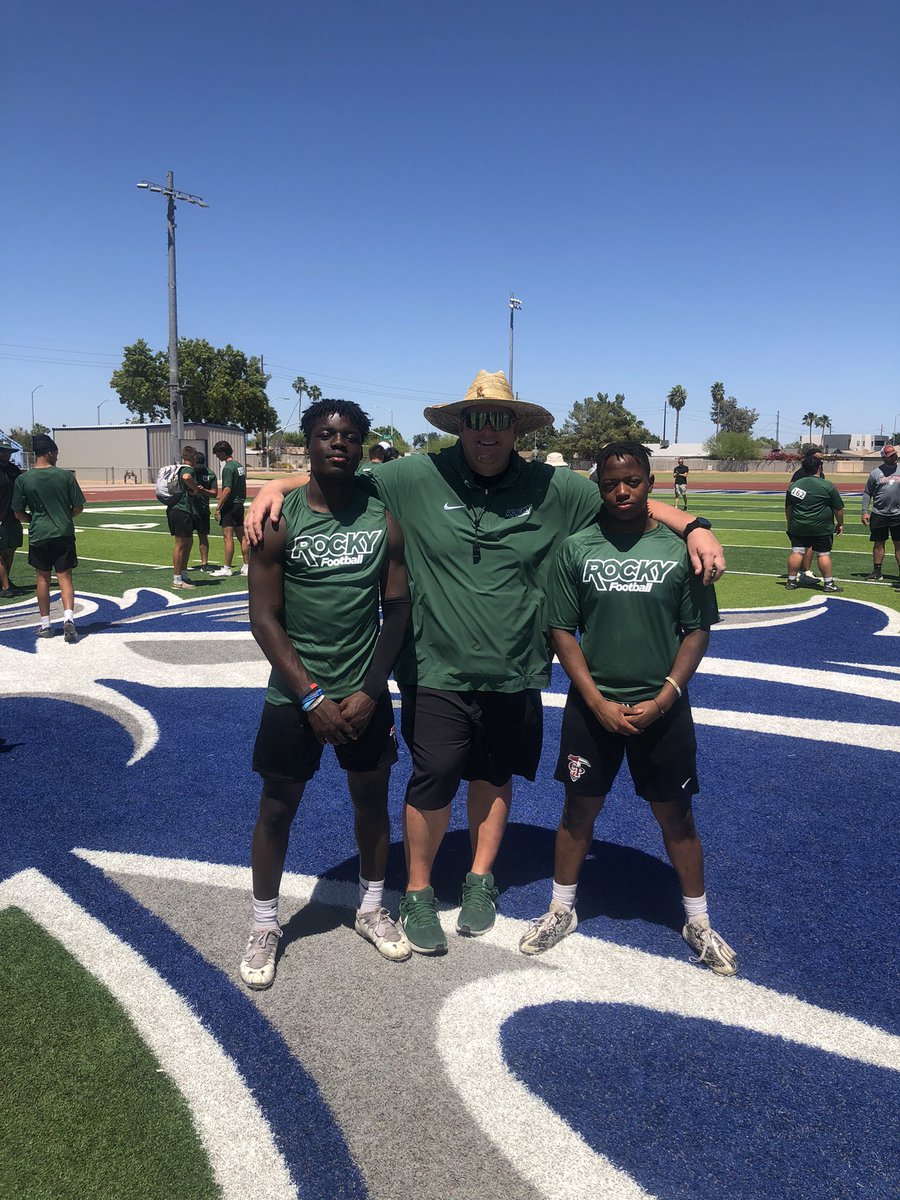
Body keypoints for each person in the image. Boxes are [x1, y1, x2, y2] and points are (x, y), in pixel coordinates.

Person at [245, 370, 725, 957]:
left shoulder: (555, 486)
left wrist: (696, 527)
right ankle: (417, 891)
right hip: (435, 665)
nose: (488, 433)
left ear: (517, 428)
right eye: (477, 421)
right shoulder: (416, 474)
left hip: (516, 666)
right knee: (433, 778)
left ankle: (479, 879)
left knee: (494, 777)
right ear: (461, 428)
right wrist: (275, 485)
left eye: (501, 420)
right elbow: (337, 468)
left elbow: (626, 499)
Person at [519, 441, 736, 975]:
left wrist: (665, 697)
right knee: (577, 810)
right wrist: (594, 699)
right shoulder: (577, 549)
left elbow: (696, 631)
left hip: (662, 707)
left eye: (633, 481)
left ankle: (698, 920)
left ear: (650, 484)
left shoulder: (675, 551)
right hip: (593, 707)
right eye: (611, 482)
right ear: (599, 486)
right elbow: (560, 629)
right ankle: (560, 909)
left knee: (677, 816)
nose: (622, 490)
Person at [241, 399, 412, 989]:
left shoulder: (382, 518)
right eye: (325, 435)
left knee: (371, 803)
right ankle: (265, 923)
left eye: (348, 436)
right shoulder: (279, 518)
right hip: (294, 695)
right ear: (307, 444)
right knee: (277, 808)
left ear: (362, 446)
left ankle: (370, 908)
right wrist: (310, 695)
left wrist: (370, 688)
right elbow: (263, 615)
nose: (337, 444)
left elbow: (397, 610)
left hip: (363, 693)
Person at [11, 434, 86, 642]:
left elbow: (18, 512)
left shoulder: (23, 479)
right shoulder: (66, 476)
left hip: (39, 534)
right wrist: (64, 516)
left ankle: (45, 624)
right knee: (65, 576)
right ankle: (69, 618)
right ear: (50, 452)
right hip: (63, 532)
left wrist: (34, 519)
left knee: (42, 578)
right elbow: (78, 507)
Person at [785, 456, 844, 592]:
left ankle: (791, 581)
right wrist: (840, 523)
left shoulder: (794, 486)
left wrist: (790, 523)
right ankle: (828, 583)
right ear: (819, 467)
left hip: (799, 525)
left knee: (797, 552)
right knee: (823, 554)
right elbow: (838, 509)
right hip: (821, 527)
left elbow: (788, 507)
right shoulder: (827, 485)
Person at [861, 444, 900, 582]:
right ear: (883, 457)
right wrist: (865, 511)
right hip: (879, 514)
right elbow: (867, 493)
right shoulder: (875, 473)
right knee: (878, 543)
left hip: (898, 514)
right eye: (890, 456)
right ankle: (877, 571)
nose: (893, 457)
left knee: (899, 544)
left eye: (894, 454)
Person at [211, 440, 248, 577]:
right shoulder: (239, 466)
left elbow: (227, 489)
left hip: (230, 505)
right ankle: (247, 565)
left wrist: (218, 507)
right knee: (242, 537)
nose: (217, 456)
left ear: (223, 452)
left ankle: (226, 567)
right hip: (239, 505)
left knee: (228, 537)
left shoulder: (228, 468)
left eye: (217, 453)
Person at [166, 446, 202, 590]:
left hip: (177, 508)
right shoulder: (188, 469)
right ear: (192, 457)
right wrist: (196, 488)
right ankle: (177, 579)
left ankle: (183, 575)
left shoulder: (177, 468)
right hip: (182, 509)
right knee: (181, 544)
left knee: (188, 542)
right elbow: (186, 477)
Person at [789, 451, 826, 582]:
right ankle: (803, 571)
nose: (821, 461)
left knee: (808, 546)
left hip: (815, 514)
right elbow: (791, 491)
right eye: (818, 459)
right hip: (803, 515)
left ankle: (801, 572)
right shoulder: (800, 474)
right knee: (803, 547)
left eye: (822, 459)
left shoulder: (820, 474)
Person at [0, 436, 28, 597]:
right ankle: (5, 587)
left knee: (10, 552)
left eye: (8, 452)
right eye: (3, 452)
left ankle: (6, 580)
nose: (6, 455)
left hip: (13, 516)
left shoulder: (13, 470)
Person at [191, 451, 218, 571]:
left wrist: (203, 490)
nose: (198, 468)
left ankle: (204, 563)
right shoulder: (188, 472)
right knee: (185, 539)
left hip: (203, 510)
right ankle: (182, 565)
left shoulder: (210, 474)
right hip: (188, 509)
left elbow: (214, 493)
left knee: (203, 536)